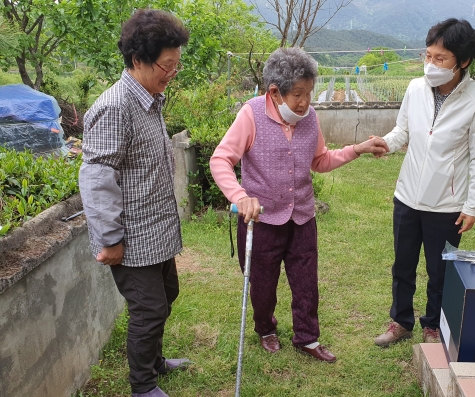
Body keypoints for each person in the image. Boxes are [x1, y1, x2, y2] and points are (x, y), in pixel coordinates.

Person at [210, 47, 388, 363]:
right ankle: (265, 328)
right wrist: (240, 196)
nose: (305, 102)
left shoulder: (310, 118)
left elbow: (320, 160)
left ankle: (307, 338)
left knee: (306, 282)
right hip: (262, 219)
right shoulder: (251, 114)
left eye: (308, 93)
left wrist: (356, 149)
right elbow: (221, 159)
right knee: (262, 285)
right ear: (275, 92)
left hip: (302, 215)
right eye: (298, 94)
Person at [79, 9, 190, 397]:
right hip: (132, 238)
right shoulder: (115, 106)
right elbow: (96, 176)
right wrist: (109, 238)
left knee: (167, 295)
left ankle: (155, 361)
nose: (172, 73)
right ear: (139, 60)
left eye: (176, 65)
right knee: (148, 310)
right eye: (167, 65)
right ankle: (143, 385)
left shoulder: (149, 97)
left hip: (156, 230)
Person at [372, 18, 475, 346]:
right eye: (428, 56)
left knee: (440, 271)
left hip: (447, 203)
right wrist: (385, 143)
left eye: (440, 59)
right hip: (407, 196)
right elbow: (403, 131)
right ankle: (400, 321)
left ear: (464, 60)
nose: (431, 64)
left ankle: (433, 325)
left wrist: (472, 205)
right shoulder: (415, 89)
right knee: (403, 265)